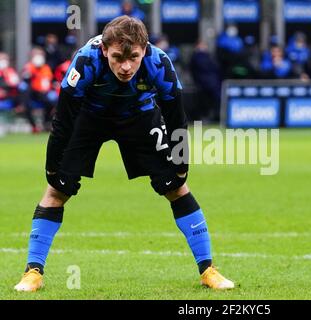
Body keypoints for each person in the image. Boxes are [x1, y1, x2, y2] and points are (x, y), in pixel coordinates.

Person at [14, 16, 234, 292]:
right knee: (56, 190)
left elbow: (177, 119)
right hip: (89, 117)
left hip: (139, 117)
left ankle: (208, 270)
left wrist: (181, 163)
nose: (126, 66)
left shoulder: (160, 63)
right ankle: (32, 272)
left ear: (145, 49)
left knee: (177, 187)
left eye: (134, 57)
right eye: (118, 57)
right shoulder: (85, 62)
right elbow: (63, 121)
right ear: (105, 50)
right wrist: (52, 166)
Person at [19, 47, 56, 133]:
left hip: (43, 93)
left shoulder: (46, 68)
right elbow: (25, 81)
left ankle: (46, 123)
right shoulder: (29, 67)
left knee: (52, 102)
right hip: (31, 93)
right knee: (26, 103)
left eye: (40, 54)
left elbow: (48, 82)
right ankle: (34, 126)